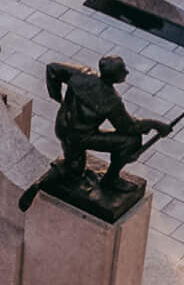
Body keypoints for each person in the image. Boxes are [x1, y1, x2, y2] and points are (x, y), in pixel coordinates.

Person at [46, 56, 168, 190]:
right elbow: (129, 127)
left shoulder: (82, 74)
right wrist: (155, 125)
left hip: (63, 127)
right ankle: (111, 179)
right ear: (114, 76)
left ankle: (71, 164)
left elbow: (52, 69)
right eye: (123, 70)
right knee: (131, 141)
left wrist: (57, 96)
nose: (127, 72)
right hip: (81, 137)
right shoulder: (111, 99)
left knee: (76, 169)